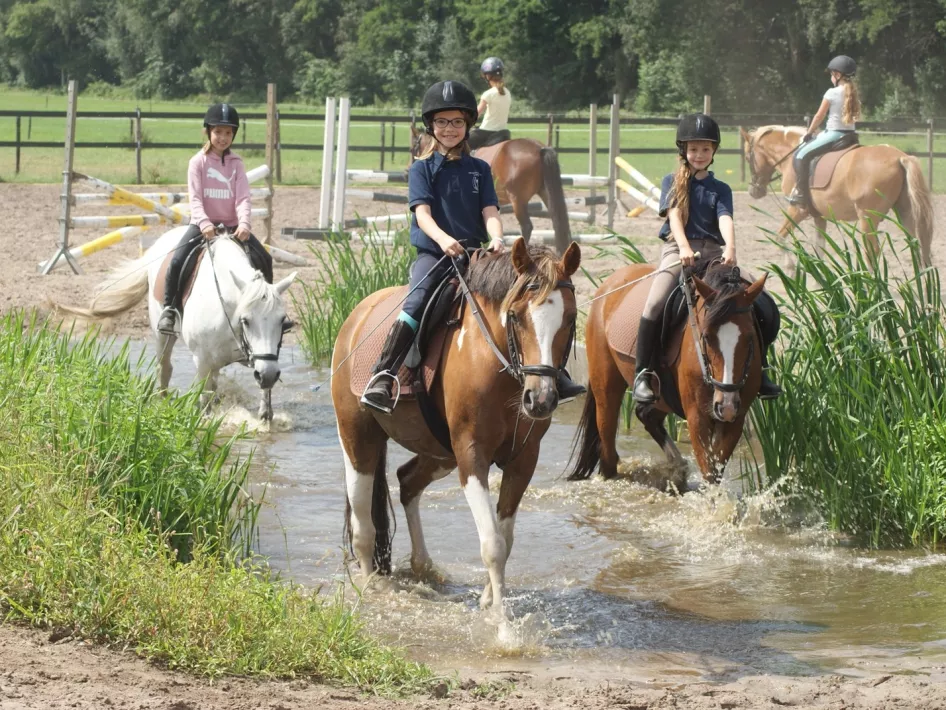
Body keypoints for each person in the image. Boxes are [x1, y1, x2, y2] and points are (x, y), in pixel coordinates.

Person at [361, 79, 585, 414]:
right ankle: (384, 373)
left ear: (468, 125)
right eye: (442, 122)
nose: (449, 128)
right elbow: (422, 214)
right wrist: (443, 240)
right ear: (431, 126)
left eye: (457, 122)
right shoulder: (422, 169)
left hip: (475, 254)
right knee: (417, 301)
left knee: (529, 297)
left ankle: (553, 373)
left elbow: (490, 212)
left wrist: (496, 237)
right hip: (435, 255)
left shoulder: (480, 169)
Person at [632, 114, 781, 403]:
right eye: (693, 149)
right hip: (678, 251)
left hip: (714, 254)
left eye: (705, 149)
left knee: (757, 301)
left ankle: (761, 370)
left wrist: (731, 248)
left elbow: (725, 218)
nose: (699, 155)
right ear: (683, 150)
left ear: (713, 152)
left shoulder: (721, 188)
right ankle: (643, 373)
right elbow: (675, 217)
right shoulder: (671, 181)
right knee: (655, 303)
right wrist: (683, 247)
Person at [157, 102, 273, 335]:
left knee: (265, 259)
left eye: (228, 133)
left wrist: (244, 223)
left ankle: (268, 308)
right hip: (203, 226)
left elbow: (243, 198)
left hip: (232, 226)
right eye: (218, 132)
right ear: (208, 131)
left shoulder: (237, 164)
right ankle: (170, 309)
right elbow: (195, 198)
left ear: (233, 135)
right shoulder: (197, 162)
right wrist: (204, 223)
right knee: (177, 261)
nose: (223, 138)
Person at [788, 55, 861, 208]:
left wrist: (809, 132)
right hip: (850, 135)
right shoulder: (853, 91)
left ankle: (801, 193)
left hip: (834, 134)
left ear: (838, 75)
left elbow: (819, 116)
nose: (831, 77)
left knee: (800, 155)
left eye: (832, 74)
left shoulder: (832, 92)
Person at [468, 57, 512, 151]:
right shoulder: (507, 93)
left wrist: (465, 122)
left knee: (459, 142)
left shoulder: (489, 93)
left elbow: (476, 114)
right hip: (503, 133)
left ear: (487, 76)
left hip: (486, 132)